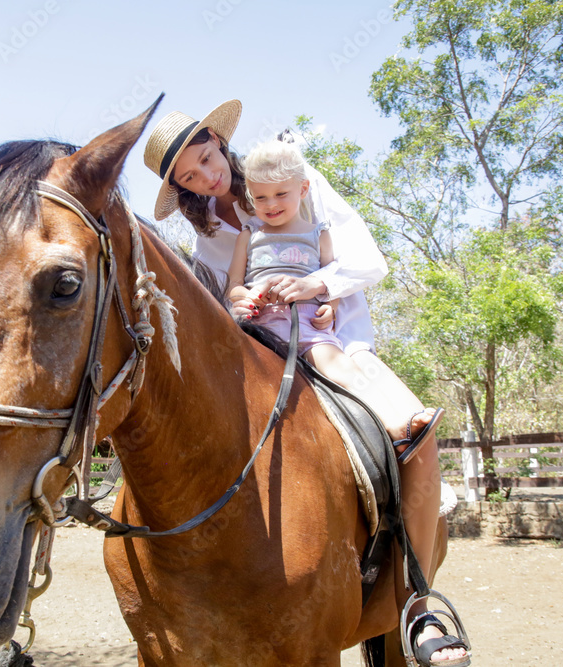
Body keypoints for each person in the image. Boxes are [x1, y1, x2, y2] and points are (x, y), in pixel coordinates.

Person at [143, 100, 470, 667]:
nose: (206, 176)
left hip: (332, 340)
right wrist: (235, 300)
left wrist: (317, 287)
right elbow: (215, 309)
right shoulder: (209, 236)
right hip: (253, 352)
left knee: (415, 431)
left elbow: (368, 262)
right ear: (181, 188)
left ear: (220, 142)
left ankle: (419, 601)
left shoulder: (296, 179)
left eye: (205, 158)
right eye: (189, 177)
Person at [227, 138, 444, 454]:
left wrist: (330, 306)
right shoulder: (250, 234)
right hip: (259, 327)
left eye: (280, 194)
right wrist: (241, 296)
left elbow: (333, 277)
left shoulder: (318, 232)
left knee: (340, 369)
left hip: (307, 325)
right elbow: (234, 282)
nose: (271, 204)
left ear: (303, 189)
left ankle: (395, 426)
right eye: (260, 197)